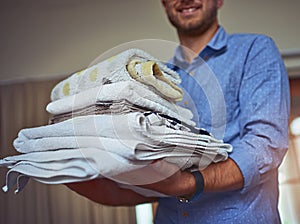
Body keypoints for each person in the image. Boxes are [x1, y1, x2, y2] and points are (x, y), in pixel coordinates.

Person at [66, 0, 290, 223]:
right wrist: (61, 168)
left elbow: (266, 145)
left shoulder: (253, 50)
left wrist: (188, 182)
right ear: (165, 4)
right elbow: (143, 188)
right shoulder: (155, 78)